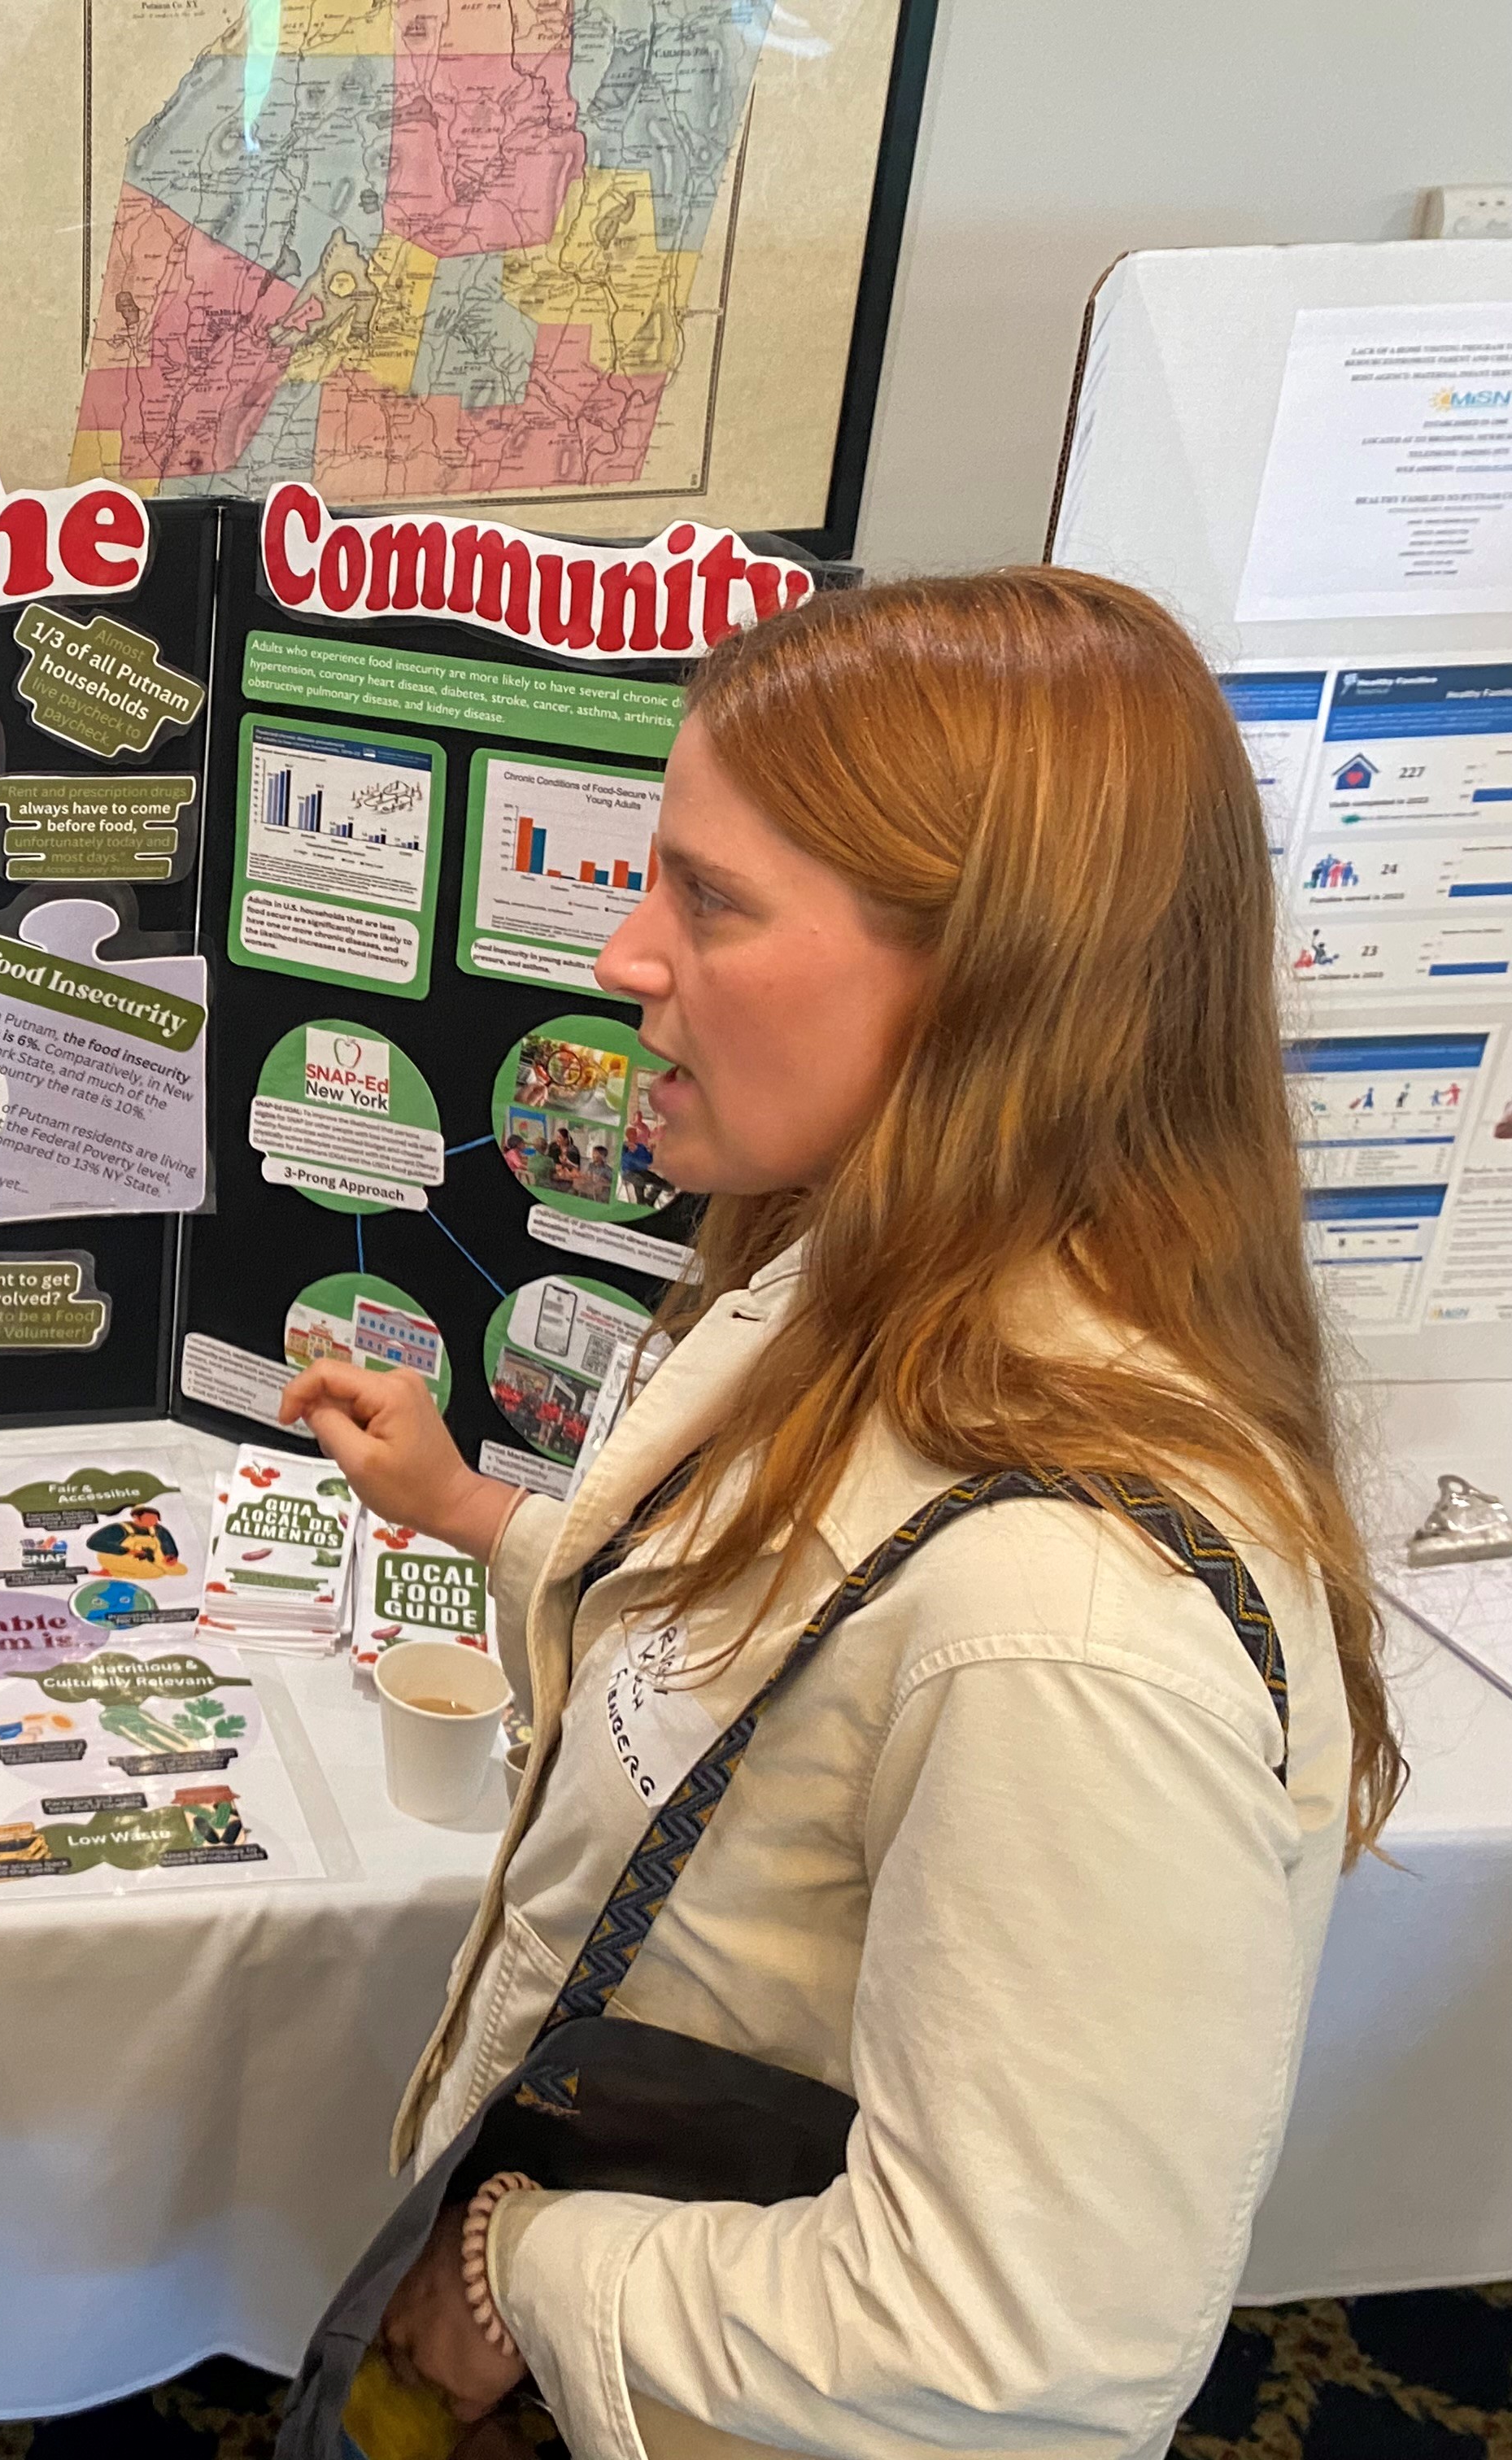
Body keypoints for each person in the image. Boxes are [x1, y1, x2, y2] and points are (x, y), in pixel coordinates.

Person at [281, 569, 1399, 2460]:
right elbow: (760, 1672)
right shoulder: (854, 1304)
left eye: (709, 898)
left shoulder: (1075, 1620)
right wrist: (482, 1515)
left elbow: (1017, 2340)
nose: (628, 957)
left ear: (993, 978)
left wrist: (518, 2278)